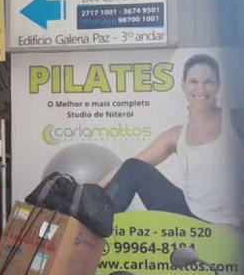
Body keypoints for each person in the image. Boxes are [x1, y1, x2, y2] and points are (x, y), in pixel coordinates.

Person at [99, 54, 244, 227]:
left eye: (208, 82)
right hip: (192, 218)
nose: (200, 89)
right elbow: (128, 168)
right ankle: (93, 224)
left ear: (218, 85)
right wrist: (93, 192)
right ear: (183, 85)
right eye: (193, 82)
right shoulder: (176, 134)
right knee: (133, 167)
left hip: (231, 227)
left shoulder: (236, 119)